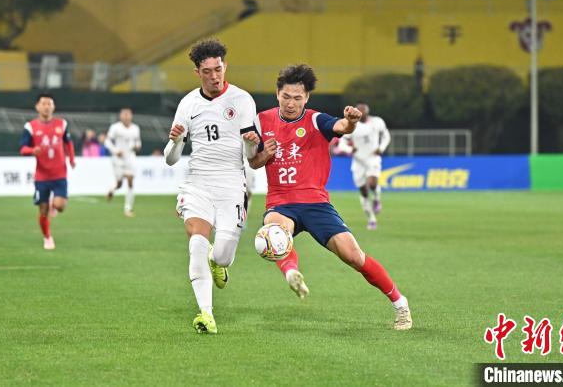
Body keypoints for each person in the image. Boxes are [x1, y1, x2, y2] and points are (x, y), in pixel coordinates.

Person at [248, 64, 412, 330]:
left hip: (316, 203)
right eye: (286, 96)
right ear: (277, 93)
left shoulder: (315, 120)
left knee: (354, 256)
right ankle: (292, 273)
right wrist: (263, 155)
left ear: (307, 97)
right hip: (281, 201)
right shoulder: (261, 121)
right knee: (274, 233)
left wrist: (352, 121)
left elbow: (341, 126)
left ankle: (400, 303)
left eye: (297, 98)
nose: (291, 103)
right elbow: (253, 162)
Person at [164, 38, 258, 335]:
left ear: (225, 66)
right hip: (198, 184)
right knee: (197, 243)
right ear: (197, 73)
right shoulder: (188, 104)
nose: (215, 76)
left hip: (231, 184)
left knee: (223, 255)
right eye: (207, 71)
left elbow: (251, 156)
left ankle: (218, 263)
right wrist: (176, 141)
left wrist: (251, 144)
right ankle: (206, 313)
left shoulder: (242, 100)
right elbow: (171, 159)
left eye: (218, 69)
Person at [20, 93, 76, 250]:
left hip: (59, 173)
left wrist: (71, 159)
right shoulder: (30, 127)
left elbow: (68, 143)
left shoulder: (62, 124)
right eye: (43, 104)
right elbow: (23, 148)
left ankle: (54, 205)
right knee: (43, 211)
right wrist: (32, 150)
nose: (46, 107)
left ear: (54, 107)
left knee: (60, 206)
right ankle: (47, 237)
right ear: (37, 107)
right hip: (42, 176)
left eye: (49, 104)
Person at [336, 102, 391, 230]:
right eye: (359, 110)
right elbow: (341, 143)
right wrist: (350, 150)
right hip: (358, 162)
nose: (361, 112)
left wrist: (381, 148)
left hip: (373, 158)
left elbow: (386, 135)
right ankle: (371, 219)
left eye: (363, 109)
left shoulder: (377, 122)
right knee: (364, 192)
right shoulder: (352, 125)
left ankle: (376, 199)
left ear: (367, 110)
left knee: (372, 184)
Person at [105, 107, 142, 217]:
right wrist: (115, 151)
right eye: (124, 114)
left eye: (128, 114)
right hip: (118, 159)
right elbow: (107, 141)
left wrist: (137, 147)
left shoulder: (135, 128)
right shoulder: (115, 127)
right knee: (119, 184)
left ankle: (128, 209)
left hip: (130, 158)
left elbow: (138, 143)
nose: (126, 116)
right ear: (120, 116)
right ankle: (111, 190)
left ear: (131, 116)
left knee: (130, 180)